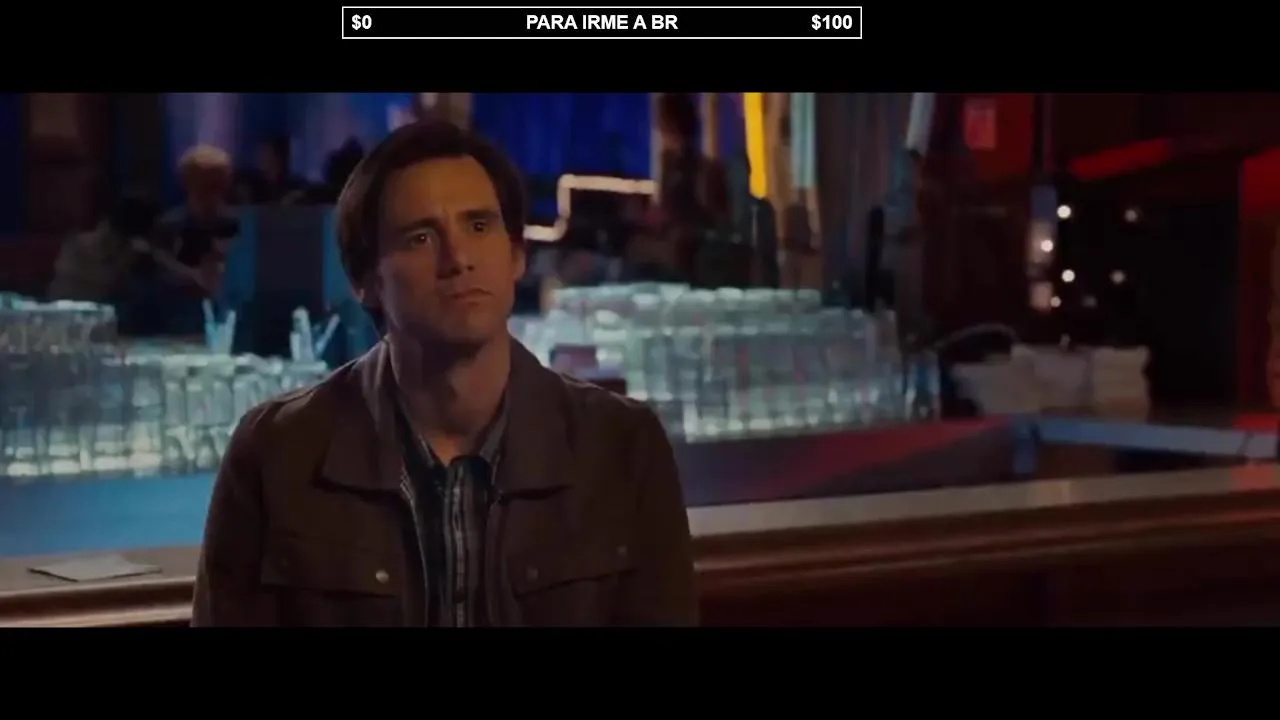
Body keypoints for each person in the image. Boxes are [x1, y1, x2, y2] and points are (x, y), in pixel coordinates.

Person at [193, 120, 697, 627]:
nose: (458, 260)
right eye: (420, 237)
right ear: (366, 280)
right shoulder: (276, 453)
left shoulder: (621, 446)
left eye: (479, 227)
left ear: (516, 255)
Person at [48, 191, 158, 304]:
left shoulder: (128, 252)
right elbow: (67, 272)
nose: (106, 237)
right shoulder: (74, 245)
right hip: (65, 306)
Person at [235, 135, 307, 205]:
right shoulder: (254, 185)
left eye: (267, 153)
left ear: (278, 157)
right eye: (262, 154)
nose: (261, 158)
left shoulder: (295, 186)